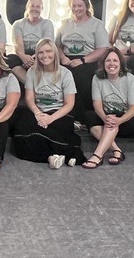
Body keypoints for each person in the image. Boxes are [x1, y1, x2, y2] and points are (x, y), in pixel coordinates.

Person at [11, 38, 82, 168]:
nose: (45, 56)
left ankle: (62, 155)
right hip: (38, 111)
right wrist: (38, 113)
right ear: (37, 55)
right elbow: (29, 98)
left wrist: (50, 119)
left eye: (48, 51)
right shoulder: (32, 71)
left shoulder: (65, 73)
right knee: (22, 131)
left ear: (55, 53)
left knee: (51, 130)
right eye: (41, 52)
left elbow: (69, 104)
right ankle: (52, 157)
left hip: (59, 112)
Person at [82, 47, 134, 169]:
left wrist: (119, 121)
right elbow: (97, 105)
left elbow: (133, 108)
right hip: (109, 117)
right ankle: (117, 150)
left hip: (131, 120)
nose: (111, 64)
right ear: (103, 63)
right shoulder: (97, 78)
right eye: (108, 61)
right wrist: (105, 118)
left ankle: (98, 155)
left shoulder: (130, 78)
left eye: (115, 61)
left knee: (112, 123)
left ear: (121, 63)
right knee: (89, 116)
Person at [57, 0, 110, 114]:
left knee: (80, 76)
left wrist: (82, 60)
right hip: (66, 58)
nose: (76, 9)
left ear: (86, 6)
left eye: (79, 5)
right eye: (73, 6)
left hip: (88, 59)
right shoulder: (64, 23)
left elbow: (102, 49)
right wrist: (63, 57)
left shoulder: (97, 24)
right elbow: (57, 46)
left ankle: (83, 114)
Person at [7, 0, 55, 84]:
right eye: (32, 6)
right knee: (9, 59)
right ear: (27, 7)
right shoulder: (18, 24)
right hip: (24, 55)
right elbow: (18, 44)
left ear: (42, 9)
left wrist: (35, 58)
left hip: (41, 55)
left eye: (38, 7)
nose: (35, 9)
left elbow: (47, 44)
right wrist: (23, 57)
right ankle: (30, 84)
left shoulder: (47, 24)